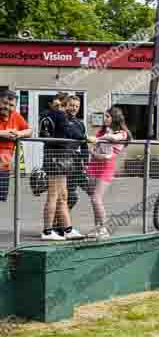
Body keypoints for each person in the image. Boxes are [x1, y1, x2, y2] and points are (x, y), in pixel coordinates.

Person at [40, 92, 84, 240]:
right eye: (67, 105)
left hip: (62, 158)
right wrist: (85, 137)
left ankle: (67, 229)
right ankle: (47, 231)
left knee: (63, 195)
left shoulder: (57, 115)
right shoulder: (57, 115)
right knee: (53, 195)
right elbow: (70, 131)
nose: (68, 108)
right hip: (55, 158)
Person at [86, 107, 130, 239]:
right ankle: (97, 228)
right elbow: (93, 149)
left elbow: (112, 139)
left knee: (96, 199)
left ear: (114, 118)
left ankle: (104, 229)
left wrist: (98, 141)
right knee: (93, 200)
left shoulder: (122, 133)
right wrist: (95, 152)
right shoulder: (102, 131)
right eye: (104, 116)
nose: (104, 119)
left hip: (106, 168)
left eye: (107, 116)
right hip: (94, 165)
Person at [0, 90, 32, 206]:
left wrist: (19, 134)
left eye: (11, 105)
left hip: (4, 167)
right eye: (4, 103)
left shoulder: (16, 116)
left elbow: (29, 131)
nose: (7, 107)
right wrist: (3, 133)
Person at [63, 95, 90, 212]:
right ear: (66, 105)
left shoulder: (80, 123)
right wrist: (85, 137)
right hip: (62, 162)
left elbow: (84, 145)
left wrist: (86, 162)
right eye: (72, 105)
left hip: (76, 163)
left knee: (90, 191)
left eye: (76, 106)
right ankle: (59, 223)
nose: (74, 108)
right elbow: (74, 133)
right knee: (68, 196)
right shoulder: (62, 120)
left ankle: (63, 222)